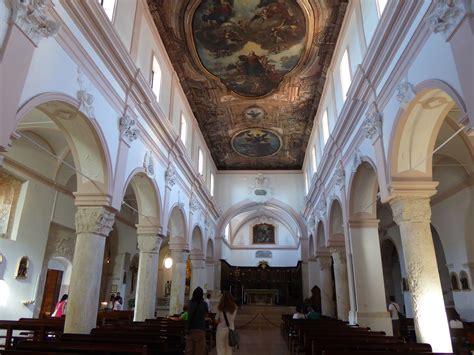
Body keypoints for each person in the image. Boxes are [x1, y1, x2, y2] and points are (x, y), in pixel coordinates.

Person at [186, 287, 209, 355]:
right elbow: (206, 315)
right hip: (200, 329)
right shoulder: (204, 304)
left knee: (189, 351)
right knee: (199, 351)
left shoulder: (190, 303)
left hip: (190, 329)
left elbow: (188, 314)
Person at [215, 291, 237, 355]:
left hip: (221, 329)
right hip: (231, 330)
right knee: (229, 349)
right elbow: (232, 319)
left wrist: (220, 321)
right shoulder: (235, 307)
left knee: (220, 348)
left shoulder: (220, 307)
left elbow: (216, 320)